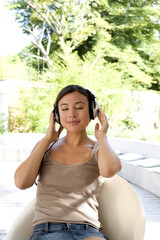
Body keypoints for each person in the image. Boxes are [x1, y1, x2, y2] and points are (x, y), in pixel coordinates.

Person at [14, 84, 122, 240]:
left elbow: (109, 170)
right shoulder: (45, 147)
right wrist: (47, 140)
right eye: (64, 109)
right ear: (56, 115)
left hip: (88, 231)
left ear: (93, 111)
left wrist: (102, 137)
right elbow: (21, 182)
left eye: (79, 107)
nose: (71, 114)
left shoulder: (99, 149)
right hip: (48, 230)